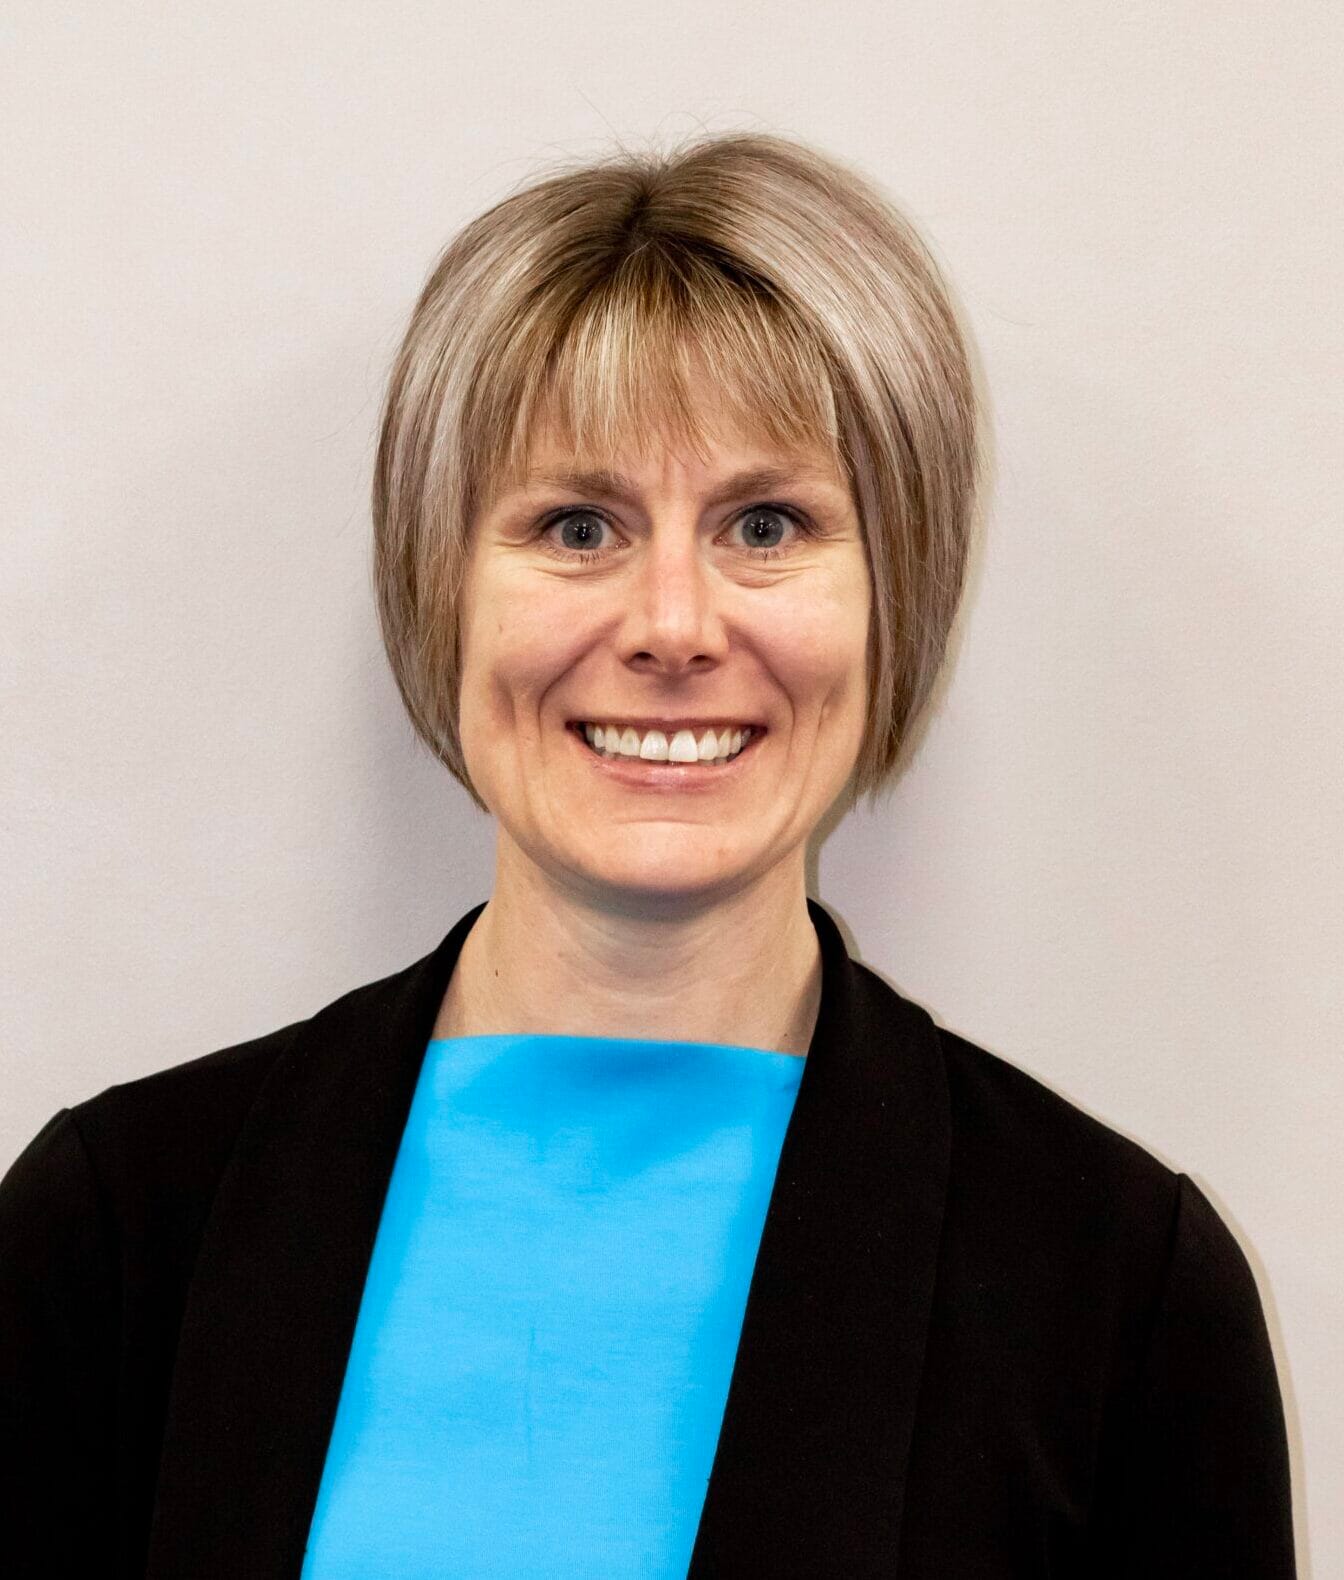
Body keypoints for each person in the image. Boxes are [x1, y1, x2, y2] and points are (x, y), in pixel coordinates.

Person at [0, 131, 1295, 1579]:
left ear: (898, 592)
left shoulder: (1122, 1297)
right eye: (577, 526)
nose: (673, 625)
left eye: (766, 525)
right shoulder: (113, 1235)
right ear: (442, 586)